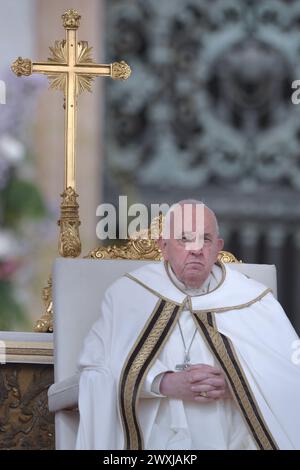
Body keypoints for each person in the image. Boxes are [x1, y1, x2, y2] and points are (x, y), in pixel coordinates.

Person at [76, 200, 300, 450]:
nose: (196, 249)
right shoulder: (127, 296)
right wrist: (162, 383)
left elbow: (290, 372)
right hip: (155, 437)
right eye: (184, 238)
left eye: (205, 239)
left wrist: (239, 383)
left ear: (218, 247)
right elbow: (97, 368)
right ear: (164, 246)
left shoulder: (254, 300)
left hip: (235, 433)